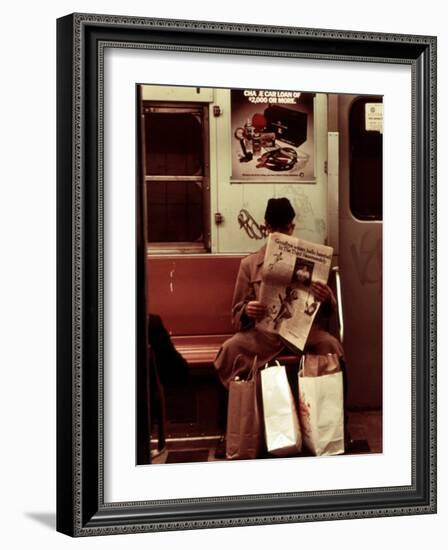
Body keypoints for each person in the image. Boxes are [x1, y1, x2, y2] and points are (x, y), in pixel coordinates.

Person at [214, 197, 343, 389]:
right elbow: (236, 312)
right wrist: (248, 310)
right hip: (263, 336)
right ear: (266, 228)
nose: (280, 234)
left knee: (331, 346)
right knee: (230, 350)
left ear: (292, 227)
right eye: (275, 230)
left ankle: (332, 412)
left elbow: (328, 313)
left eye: (284, 229)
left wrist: (325, 297)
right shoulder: (249, 264)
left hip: (303, 335)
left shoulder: (311, 258)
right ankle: (233, 413)